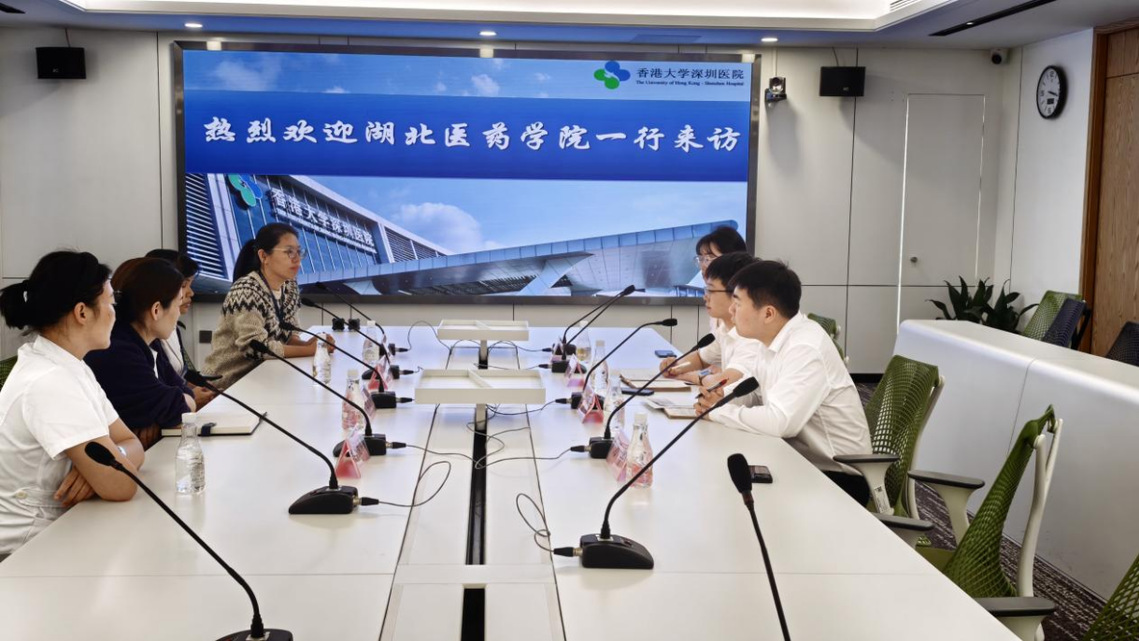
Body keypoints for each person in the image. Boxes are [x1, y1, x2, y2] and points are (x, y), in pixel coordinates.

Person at [0, 251, 144, 558]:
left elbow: (130, 442)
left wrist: (103, 465)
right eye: (110, 303)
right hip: (23, 554)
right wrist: (107, 470)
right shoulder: (50, 380)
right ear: (82, 312)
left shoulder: (71, 366)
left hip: (59, 531)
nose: (114, 313)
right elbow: (123, 485)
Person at [695, 260, 872, 504]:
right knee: (716, 477)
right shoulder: (770, 339)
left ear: (768, 313)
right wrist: (722, 398)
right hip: (798, 460)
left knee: (725, 490)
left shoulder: (805, 348)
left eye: (738, 303)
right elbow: (755, 393)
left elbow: (780, 422)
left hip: (839, 477)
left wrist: (717, 412)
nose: (731, 310)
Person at [203, 223, 332, 389]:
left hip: (267, 378)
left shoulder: (290, 286)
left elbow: (289, 335)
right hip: (227, 385)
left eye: (299, 252)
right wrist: (310, 350)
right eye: (289, 252)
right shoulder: (246, 289)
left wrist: (314, 345)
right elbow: (255, 348)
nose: (297, 259)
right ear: (264, 256)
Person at [85, 258, 195, 449]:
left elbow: (184, 394)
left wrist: (158, 419)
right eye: (177, 304)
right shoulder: (118, 351)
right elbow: (180, 408)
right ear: (156, 310)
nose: (178, 314)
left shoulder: (149, 343)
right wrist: (167, 411)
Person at [661, 253, 763, 394]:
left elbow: (723, 383)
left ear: (736, 293)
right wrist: (676, 367)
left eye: (710, 290)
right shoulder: (725, 328)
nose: (705, 296)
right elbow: (701, 358)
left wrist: (695, 377)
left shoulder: (752, 337)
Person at [146, 249, 214, 407]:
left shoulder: (173, 327)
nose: (190, 293)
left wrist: (197, 390)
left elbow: (177, 377)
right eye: (184, 285)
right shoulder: (148, 335)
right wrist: (190, 397)